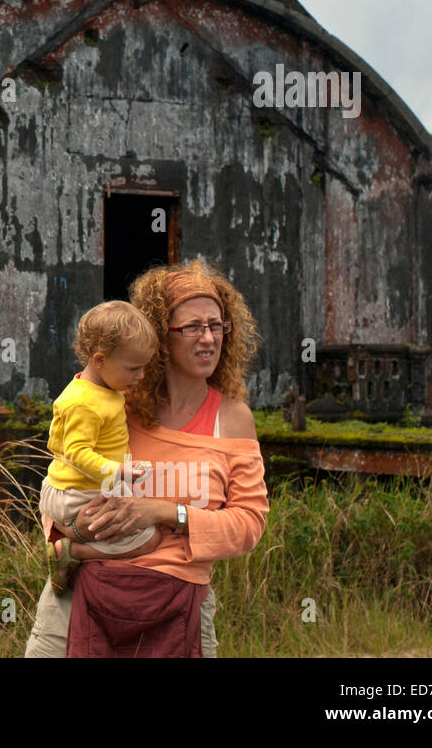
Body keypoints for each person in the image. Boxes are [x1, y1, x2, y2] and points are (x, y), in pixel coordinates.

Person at [24, 259, 269, 657]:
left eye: (217, 324)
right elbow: (62, 481)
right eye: (192, 327)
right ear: (158, 337)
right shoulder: (115, 404)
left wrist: (167, 512)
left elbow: (249, 525)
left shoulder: (233, 419)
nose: (208, 338)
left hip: (179, 607)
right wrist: (78, 531)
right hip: (83, 596)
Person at [41, 300, 163, 596]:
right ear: (99, 360)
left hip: (84, 488)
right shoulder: (83, 403)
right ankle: (71, 551)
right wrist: (119, 471)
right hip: (78, 494)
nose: (141, 376)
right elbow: (76, 452)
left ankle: (71, 542)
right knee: (150, 540)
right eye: (134, 368)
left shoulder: (102, 389)